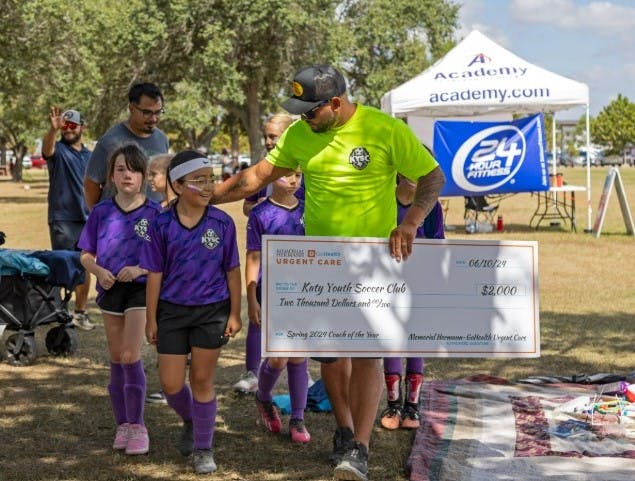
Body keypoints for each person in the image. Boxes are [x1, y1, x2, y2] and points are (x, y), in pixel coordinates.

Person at [209, 64, 445, 481]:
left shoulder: (383, 130)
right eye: (299, 112)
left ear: (336, 103)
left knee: (367, 355)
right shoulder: (301, 135)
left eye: (311, 111)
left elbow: (431, 175)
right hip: (320, 264)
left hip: (376, 263)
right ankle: (344, 428)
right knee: (332, 356)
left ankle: (361, 449)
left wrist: (411, 222)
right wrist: (207, 197)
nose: (304, 119)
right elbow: (258, 177)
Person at [141, 150, 242, 474]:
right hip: (172, 311)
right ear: (178, 185)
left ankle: (203, 447)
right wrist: (151, 317)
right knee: (170, 384)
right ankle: (191, 419)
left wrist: (235, 313)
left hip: (211, 310)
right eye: (199, 181)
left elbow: (232, 270)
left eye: (210, 179)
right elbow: (154, 273)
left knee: (201, 379)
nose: (209, 186)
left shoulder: (222, 223)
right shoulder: (160, 224)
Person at [78, 144, 162, 455]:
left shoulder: (156, 214)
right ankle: (123, 425)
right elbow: (85, 255)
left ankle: (139, 425)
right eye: (120, 169)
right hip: (110, 289)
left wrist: (139, 268)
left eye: (134, 169)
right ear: (111, 176)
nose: (127, 174)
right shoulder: (101, 212)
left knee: (129, 355)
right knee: (116, 359)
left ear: (143, 176)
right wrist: (99, 271)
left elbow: (165, 260)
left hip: (140, 290)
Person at [245, 168, 311, 443]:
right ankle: (263, 397)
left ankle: (298, 418)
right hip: (271, 292)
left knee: (298, 356)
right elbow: (253, 257)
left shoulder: (310, 209)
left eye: (298, 175)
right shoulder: (260, 214)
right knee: (279, 358)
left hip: (306, 292)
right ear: (271, 178)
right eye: (286, 175)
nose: (294, 180)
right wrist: (251, 299)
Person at [233, 112, 295, 394]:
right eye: (267, 136)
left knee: (296, 319)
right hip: (265, 257)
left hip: (297, 262)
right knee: (258, 316)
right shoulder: (261, 169)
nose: (269, 141)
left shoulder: (301, 172)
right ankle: (252, 371)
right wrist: (262, 205)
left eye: (274, 136)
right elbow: (248, 207)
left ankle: (298, 373)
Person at [380, 175, 445, 431]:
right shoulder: (384, 199)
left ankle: (413, 407)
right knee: (391, 339)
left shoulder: (432, 206)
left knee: (416, 338)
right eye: (409, 172)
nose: (414, 180)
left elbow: (439, 243)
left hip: (419, 282)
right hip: (386, 282)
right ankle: (393, 404)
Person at [42, 107, 94, 330]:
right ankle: (60, 311)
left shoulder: (91, 156)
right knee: (64, 265)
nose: (69, 129)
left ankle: (80, 313)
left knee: (85, 265)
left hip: (88, 219)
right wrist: (52, 130)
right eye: (65, 125)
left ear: (82, 127)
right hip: (63, 218)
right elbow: (47, 149)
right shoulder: (59, 151)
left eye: (73, 125)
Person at [84, 82, 169, 210]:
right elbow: (91, 184)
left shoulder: (162, 139)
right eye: (147, 112)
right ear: (131, 108)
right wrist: (98, 217)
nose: (153, 118)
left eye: (158, 112)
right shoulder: (110, 141)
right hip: (118, 223)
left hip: (152, 222)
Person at [145, 152, 177, 405]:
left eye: (154, 174)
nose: (149, 180)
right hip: (163, 290)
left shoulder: (180, 211)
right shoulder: (158, 211)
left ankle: (174, 390)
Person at [241, 113, 295, 217]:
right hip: (265, 232)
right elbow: (247, 206)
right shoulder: (260, 170)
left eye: (272, 137)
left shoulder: (306, 171)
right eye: (265, 137)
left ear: (289, 136)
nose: (267, 142)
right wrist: (258, 207)